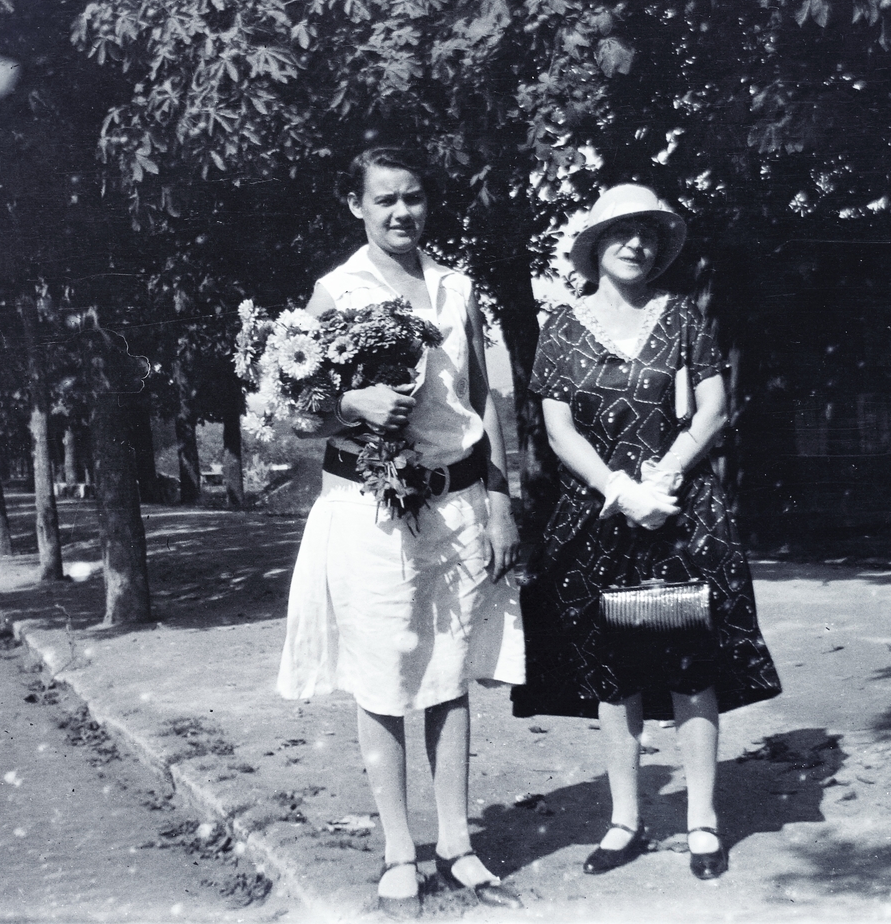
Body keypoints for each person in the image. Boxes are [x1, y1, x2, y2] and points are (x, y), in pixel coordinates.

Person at [275, 147, 525, 916]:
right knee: (385, 679)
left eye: (412, 199)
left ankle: (457, 842)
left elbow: (487, 401)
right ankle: (397, 850)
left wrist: (502, 498)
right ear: (357, 206)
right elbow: (293, 413)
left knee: (450, 677)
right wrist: (354, 405)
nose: (399, 213)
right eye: (383, 200)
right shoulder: (335, 291)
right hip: (370, 510)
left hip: (454, 505)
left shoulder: (457, 288)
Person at [512, 183, 782, 881]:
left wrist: (665, 475)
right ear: (595, 245)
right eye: (622, 232)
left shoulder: (683, 315)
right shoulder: (562, 325)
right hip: (601, 518)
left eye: (649, 234)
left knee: (692, 666)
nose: (637, 244)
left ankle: (701, 821)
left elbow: (713, 405)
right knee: (615, 672)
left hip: (682, 517)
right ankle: (625, 819)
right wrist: (618, 488)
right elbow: (557, 427)